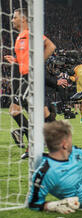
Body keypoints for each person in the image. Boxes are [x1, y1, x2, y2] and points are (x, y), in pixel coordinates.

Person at [4, 8, 57, 159]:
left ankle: (36, 141)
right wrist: (15, 61)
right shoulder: (19, 37)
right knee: (22, 110)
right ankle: (43, 139)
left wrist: (37, 63)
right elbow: (24, 60)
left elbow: (51, 46)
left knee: (27, 105)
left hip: (32, 76)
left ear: (24, 19)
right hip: (24, 76)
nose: (12, 19)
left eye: (14, 17)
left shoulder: (30, 34)